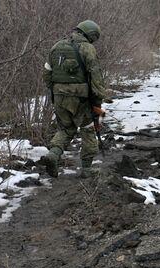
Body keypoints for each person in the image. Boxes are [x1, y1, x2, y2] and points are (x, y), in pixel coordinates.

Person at [40, 20, 107, 178]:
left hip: (59, 97)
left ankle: (53, 155)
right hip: (81, 99)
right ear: (90, 35)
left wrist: (56, 91)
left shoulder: (56, 46)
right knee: (88, 129)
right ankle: (86, 169)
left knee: (65, 129)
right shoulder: (87, 48)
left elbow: (46, 73)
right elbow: (96, 76)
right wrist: (98, 100)